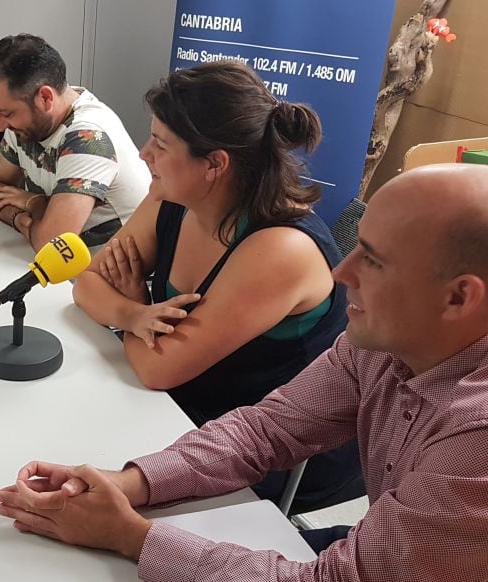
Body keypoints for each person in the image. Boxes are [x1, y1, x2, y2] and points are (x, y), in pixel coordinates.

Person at [0, 163, 488, 582]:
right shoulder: (394, 336)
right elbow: (266, 429)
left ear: (460, 298)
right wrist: (128, 484)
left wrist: (129, 536)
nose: (343, 272)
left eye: (376, 261)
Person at [73, 61, 360, 512]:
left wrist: (130, 302)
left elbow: (157, 369)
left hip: (262, 455)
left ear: (215, 165)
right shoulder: (171, 195)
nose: (144, 154)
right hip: (180, 411)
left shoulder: (281, 249)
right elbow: (87, 283)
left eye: (161, 145)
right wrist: (134, 316)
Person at [0, 34, 150, 251]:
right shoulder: (25, 123)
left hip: (109, 271)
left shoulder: (88, 138)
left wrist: (35, 203)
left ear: (46, 98)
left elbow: (52, 244)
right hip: (58, 265)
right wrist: (19, 219)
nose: (0, 126)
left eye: (6, 113)